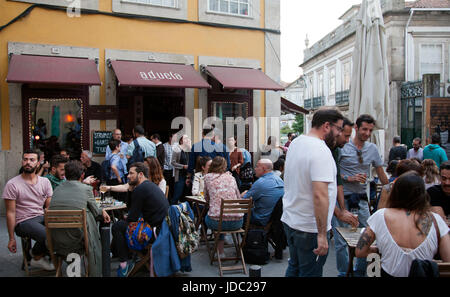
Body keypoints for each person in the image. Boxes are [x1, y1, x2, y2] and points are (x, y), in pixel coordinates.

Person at [281, 108, 344, 277]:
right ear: (326, 126)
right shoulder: (320, 150)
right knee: (309, 273)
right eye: (338, 128)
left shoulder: (296, 142)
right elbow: (320, 195)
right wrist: (322, 235)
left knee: (294, 268)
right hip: (309, 228)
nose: (339, 133)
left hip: (292, 220)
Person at [355, 172, 450, 277]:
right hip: (422, 273)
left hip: (387, 274)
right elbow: (448, 259)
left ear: (395, 193)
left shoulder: (381, 216)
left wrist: (378, 250)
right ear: (423, 194)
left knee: (372, 264)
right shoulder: (435, 220)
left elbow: (360, 251)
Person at [338, 114, 389, 277]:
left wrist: (392, 188)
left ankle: (360, 272)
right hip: (343, 200)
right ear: (356, 128)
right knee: (341, 241)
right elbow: (334, 173)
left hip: (361, 199)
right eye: (364, 129)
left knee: (367, 237)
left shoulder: (372, 149)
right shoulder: (343, 147)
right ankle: (343, 273)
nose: (367, 133)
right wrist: (349, 178)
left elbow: (381, 174)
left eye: (370, 130)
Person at [48, 160, 111, 277]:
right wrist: (102, 211)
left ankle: (73, 268)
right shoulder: (86, 189)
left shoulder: (57, 189)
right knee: (89, 216)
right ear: (82, 175)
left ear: (66, 174)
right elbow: (96, 212)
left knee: (85, 213)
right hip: (77, 240)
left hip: (57, 240)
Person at [111, 162, 170, 277]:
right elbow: (132, 211)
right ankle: (133, 257)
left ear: (141, 174)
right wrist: (130, 189)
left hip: (155, 232)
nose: (128, 176)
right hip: (164, 229)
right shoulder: (149, 185)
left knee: (117, 226)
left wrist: (127, 218)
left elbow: (131, 218)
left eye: (131, 173)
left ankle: (123, 264)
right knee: (122, 224)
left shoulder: (141, 189)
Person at [2, 150, 55, 271]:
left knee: (62, 232)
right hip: (24, 221)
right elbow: (10, 212)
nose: (28, 163)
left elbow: (48, 207)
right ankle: (36, 257)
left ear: (38, 163)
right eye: (25, 159)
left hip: (41, 217)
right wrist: (11, 239)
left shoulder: (45, 182)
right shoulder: (12, 184)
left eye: (32, 160)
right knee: (48, 236)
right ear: (22, 162)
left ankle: (34, 254)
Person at [330, 117, 360, 277]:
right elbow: (318, 190)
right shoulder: (324, 150)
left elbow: (337, 179)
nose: (348, 141)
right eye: (346, 136)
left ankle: (351, 271)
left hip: (348, 198)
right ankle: (344, 272)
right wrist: (339, 211)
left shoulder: (336, 149)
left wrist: (342, 209)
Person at [204, 156, 244, 259]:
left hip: (218, 222)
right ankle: (224, 247)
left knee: (214, 217)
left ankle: (220, 252)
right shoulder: (231, 177)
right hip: (237, 222)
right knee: (221, 216)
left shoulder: (208, 177)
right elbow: (238, 197)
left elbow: (206, 198)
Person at [242, 159, 284, 227]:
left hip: (260, 218)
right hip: (275, 219)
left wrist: (242, 194)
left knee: (238, 213)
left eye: (257, 166)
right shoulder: (280, 180)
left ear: (263, 169)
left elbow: (243, 201)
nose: (254, 169)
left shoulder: (260, 182)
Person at [171, 134, 191, 205]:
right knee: (177, 194)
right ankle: (171, 212)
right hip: (180, 175)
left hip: (188, 176)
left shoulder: (189, 149)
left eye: (188, 138)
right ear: (181, 140)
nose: (187, 140)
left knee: (186, 196)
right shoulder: (177, 149)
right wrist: (183, 166)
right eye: (185, 138)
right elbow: (173, 162)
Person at [163, 132, 177, 201]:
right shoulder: (164, 146)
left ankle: (172, 200)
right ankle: (167, 200)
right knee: (167, 185)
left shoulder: (177, 146)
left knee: (173, 185)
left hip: (175, 169)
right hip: (167, 169)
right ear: (170, 138)